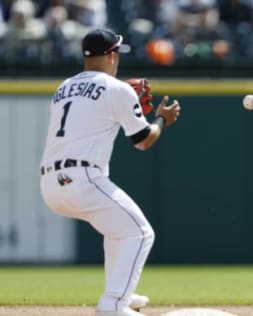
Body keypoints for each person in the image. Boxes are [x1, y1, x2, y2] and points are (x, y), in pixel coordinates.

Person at [39, 28, 181, 316]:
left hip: (49, 184)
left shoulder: (63, 87)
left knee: (118, 230)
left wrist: (125, 104)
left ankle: (121, 295)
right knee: (140, 233)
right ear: (112, 55)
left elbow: (92, 113)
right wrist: (162, 120)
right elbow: (143, 141)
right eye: (117, 53)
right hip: (82, 179)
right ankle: (114, 305)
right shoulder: (118, 89)